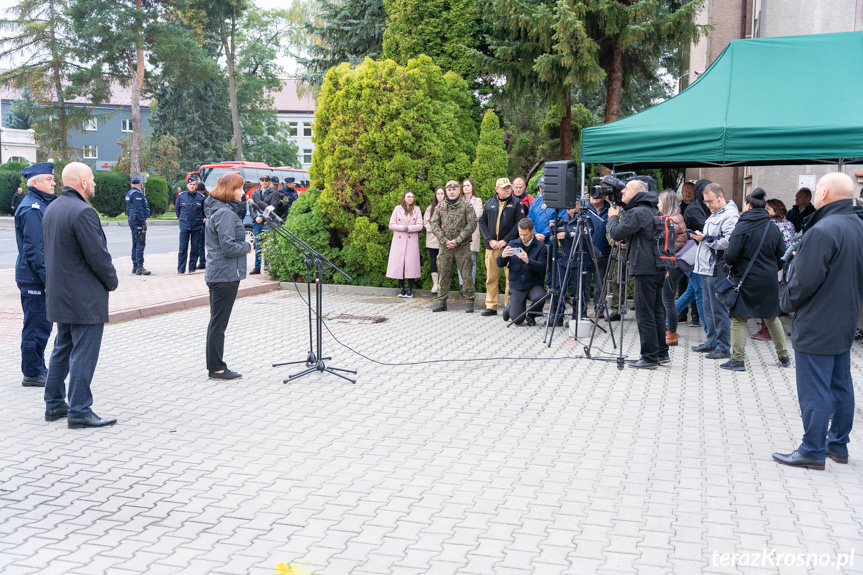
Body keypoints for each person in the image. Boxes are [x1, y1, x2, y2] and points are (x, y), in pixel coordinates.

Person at [774, 172, 863, 469]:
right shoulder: (856, 225)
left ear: (823, 192)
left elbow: (803, 282)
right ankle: (838, 444)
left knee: (815, 387)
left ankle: (812, 449)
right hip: (845, 317)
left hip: (818, 320)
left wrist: (783, 302)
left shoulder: (823, 229)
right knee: (840, 384)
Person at [42, 162, 118, 428]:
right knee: (83, 352)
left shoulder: (52, 207)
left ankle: (53, 404)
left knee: (62, 347)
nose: (95, 183)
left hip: (61, 293)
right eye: (93, 179)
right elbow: (97, 256)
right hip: (84, 297)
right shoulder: (83, 212)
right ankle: (79, 410)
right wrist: (112, 281)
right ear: (83, 182)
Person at [720, 188, 789, 372]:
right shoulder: (772, 227)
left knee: (738, 318)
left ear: (749, 206)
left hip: (745, 280)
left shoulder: (742, 227)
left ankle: (738, 360)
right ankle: (784, 357)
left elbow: (730, 256)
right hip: (768, 280)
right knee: (772, 317)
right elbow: (782, 256)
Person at [607, 179, 670, 369]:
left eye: (626, 189)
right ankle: (661, 353)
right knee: (657, 311)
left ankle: (649, 358)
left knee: (644, 314)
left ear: (636, 193)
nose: (623, 192)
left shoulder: (636, 212)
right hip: (658, 267)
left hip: (644, 269)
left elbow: (617, 233)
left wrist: (612, 217)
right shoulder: (652, 210)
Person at [203, 172, 254, 380]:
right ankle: (216, 368)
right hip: (224, 275)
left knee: (216, 322)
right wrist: (247, 246)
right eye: (240, 188)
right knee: (218, 324)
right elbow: (228, 247)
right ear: (230, 190)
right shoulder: (224, 213)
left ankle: (215, 366)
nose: (243, 192)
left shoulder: (220, 210)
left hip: (221, 273)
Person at [14, 163, 57, 388]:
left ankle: (37, 365)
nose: (53, 183)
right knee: (36, 325)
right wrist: (47, 279)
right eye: (49, 179)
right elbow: (34, 249)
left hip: (36, 276)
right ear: (36, 182)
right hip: (34, 278)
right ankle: (31, 372)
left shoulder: (40, 204)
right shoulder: (32, 208)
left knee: (43, 324)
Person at [689, 183, 739, 360]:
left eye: (710, 201)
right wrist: (700, 237)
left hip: (716, 269)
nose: (707, 205)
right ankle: (712, 341)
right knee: (709, 308)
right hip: (706, 267)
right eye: (705, 202)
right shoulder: (715, 214)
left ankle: (723, 347)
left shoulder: (730, 215)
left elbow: (728, 242)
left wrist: (706, 239)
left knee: (718, 309)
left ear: (721, 197)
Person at [478, 178, 525, 316]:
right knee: (491, 277)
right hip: (491, 247)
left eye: (508, 187)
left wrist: (505, 241)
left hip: (509, 247)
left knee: (510, 278)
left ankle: (509, 306)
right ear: (496, 189)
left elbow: (519, 224)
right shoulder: (489, 203)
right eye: (504, 187)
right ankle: (491, 306)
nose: (507, 189)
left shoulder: (517, 203)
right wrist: (490, 240)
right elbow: (482, 222)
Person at [751, 198, 795, 341]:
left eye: (768, 209)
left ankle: (768, 329)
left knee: (767, 297)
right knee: (771, 297)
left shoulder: (770, 225)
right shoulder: (788, 224)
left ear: (776, 210)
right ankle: (767, 325)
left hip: (772, 265)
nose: (765, 211)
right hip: (780, 265)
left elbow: (784, 246)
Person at [430, 180, 477, 313]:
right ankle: (441, 302)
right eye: (449, 190)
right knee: (443, 273)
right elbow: (434, 223)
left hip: (462, 246)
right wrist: (444, 240)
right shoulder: (440, 206)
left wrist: (458, 240)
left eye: (454, 189)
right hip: (445, 247)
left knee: (466, 274)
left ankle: (469, 301)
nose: (451, 192)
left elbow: (472, 224)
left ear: (459, 190)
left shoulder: (467, 206)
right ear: (446, 191)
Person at [675, 179, 711, 328]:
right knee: (699, 292)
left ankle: (666, 318)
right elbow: (708, 228)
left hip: (696, 256)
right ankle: (710, 333)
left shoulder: (699, 207)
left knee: (692, 292)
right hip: (692, 256)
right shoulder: (694, 210)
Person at [498, 218, 547, 326]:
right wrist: (502, 256)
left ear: (532, 231)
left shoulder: (540, 247)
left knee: (540, 297)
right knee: (517, 320)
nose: (523, 237)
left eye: (525, 234)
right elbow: (499, 264)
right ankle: (510, 306)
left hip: (533, 284)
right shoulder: (513, 243)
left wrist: (529, 261)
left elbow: (542, 267)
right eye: (520, 234)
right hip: (517, 286)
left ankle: (531, 316)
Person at [657, 190, 687, 347]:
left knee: (667, 300)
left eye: (660, 201)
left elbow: (665, 245)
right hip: (674, 264)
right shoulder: (677, 218)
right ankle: (667, 332)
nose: (658, 204)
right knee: (666, 300)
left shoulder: (670, 221)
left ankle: (671, 334)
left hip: (670, 264)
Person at [386, 190, 424, 297]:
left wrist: (408, 228)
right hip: (399, 241)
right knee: (399, 265)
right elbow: (391, 224)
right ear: (404, 198)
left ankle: (410, 290)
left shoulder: (417, 210)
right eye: (408, 196)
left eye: (412, 197)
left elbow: (420, 225)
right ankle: (401, 289)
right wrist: (403, 227)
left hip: (411, 241)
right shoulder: (397, 209)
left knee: (411, 265)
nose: (411, 198)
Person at [527, 176, 557, 286]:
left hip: (551, 241)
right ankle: (537, 289)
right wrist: (534, 234)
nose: (543, 190)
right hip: (537, 241)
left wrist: (545, 234)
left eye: (545, 187)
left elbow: (557, 220)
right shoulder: (535, 202)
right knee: (537, 265)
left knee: (552, 267)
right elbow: (530, 218)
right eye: (541, 187)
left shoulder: (557, 201)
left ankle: (551, 288)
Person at [457, 178, 483, 293]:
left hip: (472, 233)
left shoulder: (478, 200)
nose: (466, 187)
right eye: (464, 186)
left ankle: (470, 284)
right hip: (460, 234)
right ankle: (462, 284)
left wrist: (464, 217)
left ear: (472, 186)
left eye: (468, 185)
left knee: (471, 260)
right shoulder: (458, 200)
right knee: (460, 260)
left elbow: (477, 215)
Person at [175, 177, 206, 274]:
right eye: (190, 184)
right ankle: (181, 269)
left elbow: (204, 211)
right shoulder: (181, 196)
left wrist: (203, 219)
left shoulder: (201, 197)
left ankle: (192, 268)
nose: (192, 186)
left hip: (197, 226)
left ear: (196, 185)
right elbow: (178, 210)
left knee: (195, 248)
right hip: (185, 225)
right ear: (187, 185)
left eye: (194, 184)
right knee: (182, 248)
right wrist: (182, 219)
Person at [248, 175, 275, 274]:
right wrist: (255, 217)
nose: (264, 182)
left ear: (269, 182)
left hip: (267, 222)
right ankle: (257, 267)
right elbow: (251, 207)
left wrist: (262, 217)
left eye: (266, 180)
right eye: (262, 180)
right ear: (260, 181)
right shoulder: (255, 192)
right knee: (258, 245)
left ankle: (267, 266)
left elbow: (272, 207)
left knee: (267, 244)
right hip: (257, 222)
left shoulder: (273, 193)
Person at [125, 176, 151, 275]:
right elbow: (139, 209)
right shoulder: (136, 194)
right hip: (137, 221)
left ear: (131, 184)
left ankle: (135, 266)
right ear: (140, 184)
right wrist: (143, 223)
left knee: (135, 243)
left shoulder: (129, 193)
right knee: (140, 243)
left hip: (132, 220)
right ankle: (139, 266)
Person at [424, 186, 445, 293]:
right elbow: (426, 221)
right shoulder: (430, 208)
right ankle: (435, 284)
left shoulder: (449, 206)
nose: (440, 196)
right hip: (432, 239)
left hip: (445, 239)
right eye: (438, 194)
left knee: (443, 261)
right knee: (433, 261)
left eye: (442, 193)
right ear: (435, 195)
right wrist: (432, 229)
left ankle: (442, 284)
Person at [195, 182, 209, 270]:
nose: (200, 193)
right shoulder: (197, 196)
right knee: (200, 244)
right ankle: (202, 261)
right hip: (199, 222)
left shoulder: (208, 197)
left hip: (207, 223)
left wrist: (207, 217)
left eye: (201, 191)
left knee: (209, 243)